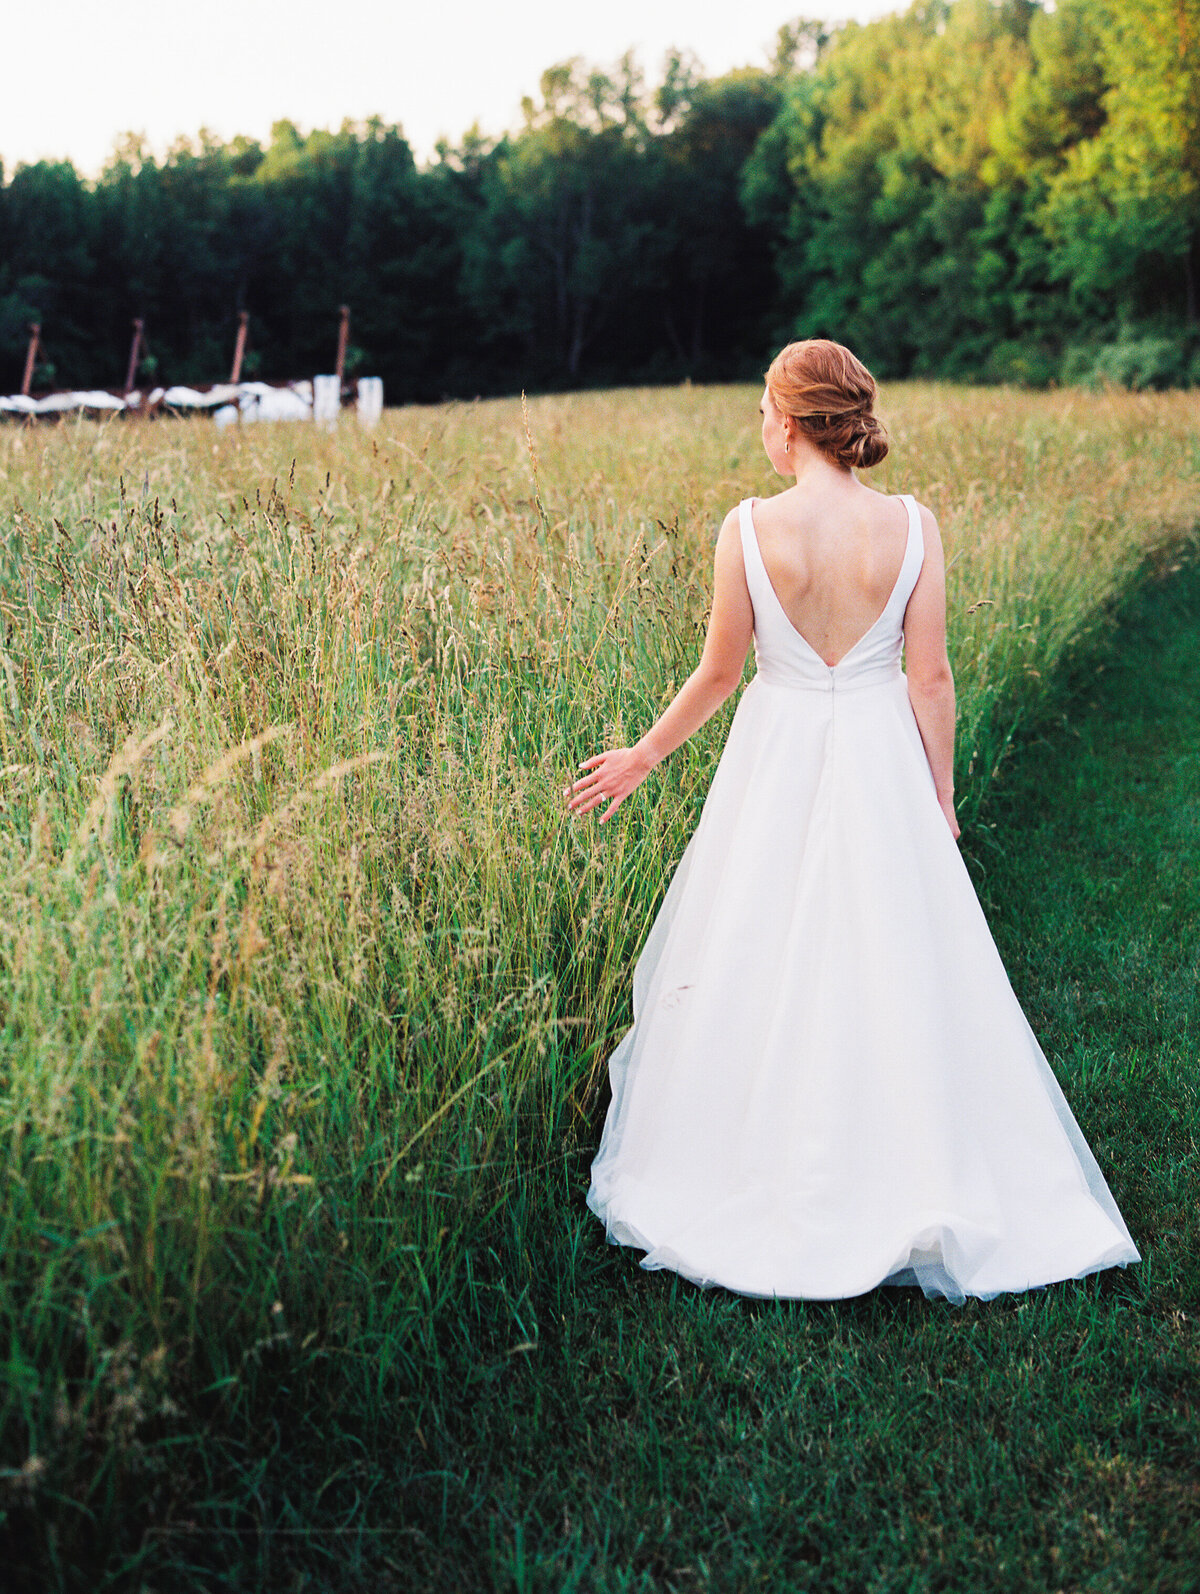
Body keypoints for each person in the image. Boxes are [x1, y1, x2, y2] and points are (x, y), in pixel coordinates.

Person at [566, 338, 1140, 1303]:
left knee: (762, 941)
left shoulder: (747, 528)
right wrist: (940, 795)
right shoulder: (913, 526)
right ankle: (911, 1153)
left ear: (789, 424)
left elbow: (718, 674)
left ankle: (755, 1159)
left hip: (776, 753)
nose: (759, 424)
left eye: (762, 408)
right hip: (880, 755)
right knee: (895, 950)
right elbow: (931, 678)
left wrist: (643, 758)